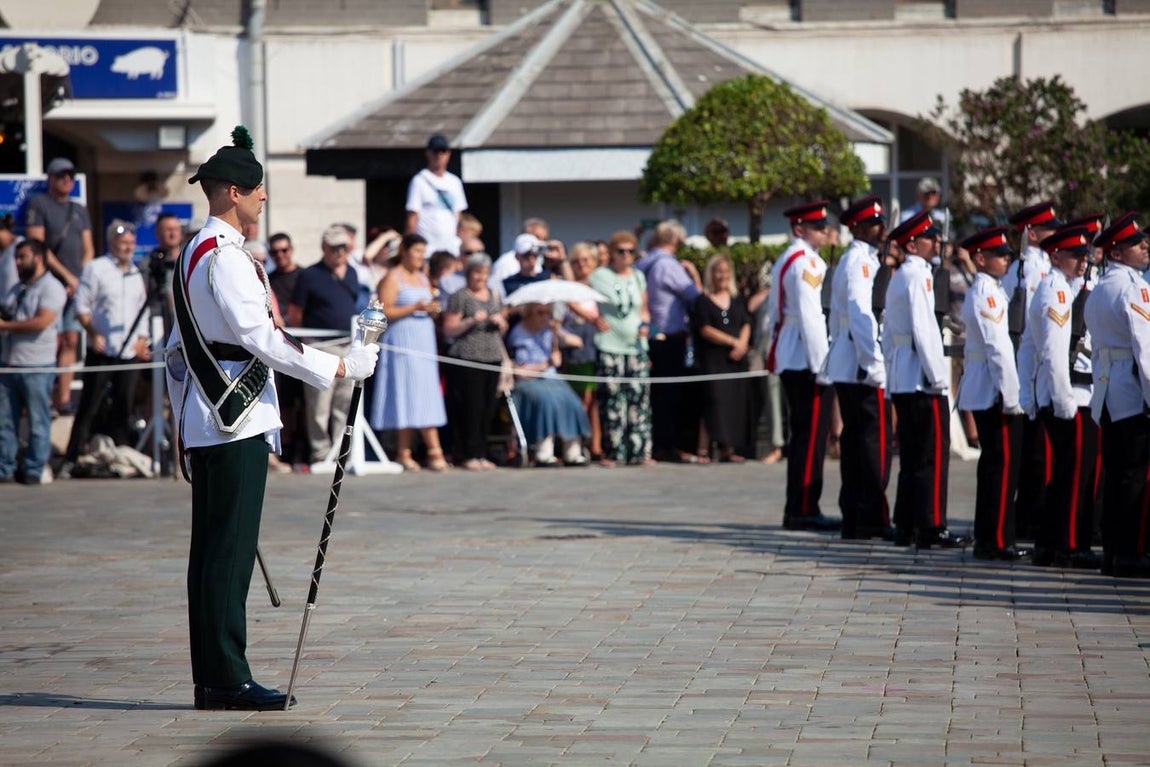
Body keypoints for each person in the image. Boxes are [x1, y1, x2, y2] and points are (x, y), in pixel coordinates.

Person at [168, 126, 378, 710]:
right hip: (232, 420)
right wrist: (338, 369)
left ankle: (216, 676)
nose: (264, 201)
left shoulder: (197, 250)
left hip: (211, 419)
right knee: (227, 555)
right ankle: (227, 678)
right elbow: (262, 338)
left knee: (216, 553)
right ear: (234, 192)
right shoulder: (224, 257)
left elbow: (176, 352)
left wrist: (183, 422)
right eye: (259, 191)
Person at [883, 211, 968, 549]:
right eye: (930, 238)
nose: (937, 242)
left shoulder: (903, 275)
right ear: (913, 244)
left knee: (913, 457)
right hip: (921, 376)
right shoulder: (918, 276)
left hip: (905, 374)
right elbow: (924, 330)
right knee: (932, 455)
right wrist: (938, 378)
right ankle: (931, 524)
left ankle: (906, 524)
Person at [1027, 223, 1101, 569]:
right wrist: (1064, 401)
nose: (1082, 262)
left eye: (1085, 255)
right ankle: (1069, 544)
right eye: (1076, 256)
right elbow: (1056, 353)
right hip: (1067, 396)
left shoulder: (1064, 287)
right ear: (1056, 255)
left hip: (1069, 393)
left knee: (1067, 474)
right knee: (1073, 475)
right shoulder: (1055, 290)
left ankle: (1050, 543)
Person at [1084, 212, 1150, 578]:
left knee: (1114, 474)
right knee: (1134, 476)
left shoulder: (1100, 288)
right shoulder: (1134, 287)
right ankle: (1131, 552)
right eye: (1135, 243)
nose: (1144, 246)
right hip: (1131, 390)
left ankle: (1112, 552)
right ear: (1117, 253)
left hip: (1107, 391)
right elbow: (1146, 348)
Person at [822, 196, 892, 540]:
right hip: (860, 366)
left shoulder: (863, 259)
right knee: (870, 444)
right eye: (874, 224)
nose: (881, 229)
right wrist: (874, 364)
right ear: (859, 228)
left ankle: (857, 516)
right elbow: (862, 317)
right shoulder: (859, 263)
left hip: (852, 363)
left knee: (858, 442)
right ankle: (870, 517)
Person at [766, 202, 837, 531]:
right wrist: (824, 366)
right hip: (806, 357)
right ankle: (804, 508)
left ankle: (799, 506)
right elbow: (810, 317)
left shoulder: (789, 257)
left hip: (792, 353)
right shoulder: (805, 262)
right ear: (800, 229)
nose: (825, 232)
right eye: (818, 227)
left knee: (804, 435)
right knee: (810, 437)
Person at [956, 227, 1025, 561]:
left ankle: (991, 536)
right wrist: (1012, 396)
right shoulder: (987, 292)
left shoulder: (989, 290)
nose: (1006, 258)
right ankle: (996, 539)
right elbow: (998, 348)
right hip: (993, 391)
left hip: (988, 387)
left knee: (995, 464)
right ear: (980, 259)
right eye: (1000, 254)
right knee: (1002, 465)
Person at [62, 220, 151, 474]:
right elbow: (81, 306)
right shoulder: (96, 269)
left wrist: (142, 339)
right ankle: (73, 456)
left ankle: (121, 455)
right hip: (102, 350)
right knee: (90, 404)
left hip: (127, 352)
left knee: (124, 404)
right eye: (123, 243)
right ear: (111, 243)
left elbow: (141, 310)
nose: (128, 247)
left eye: (131, 243)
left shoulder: (135, 274)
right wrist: (92, 332)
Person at [1006, 201, 1062, 542]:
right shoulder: (1031, 268)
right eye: (1050, 228)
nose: (1057, 233)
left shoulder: (1038, 265)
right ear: (1033, 233)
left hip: (1035, 361)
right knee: (1034, 453)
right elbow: (1029, 323)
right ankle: (1029, 518)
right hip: (1031, 362)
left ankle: (1031, 516)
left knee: (1037, 450)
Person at [371, 233, 449, 472]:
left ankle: (407, 450)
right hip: (403, 342)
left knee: (424, 392)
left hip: (423, 341)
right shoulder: (392, 278)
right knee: (407, 392)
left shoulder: (423, 277)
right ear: (404, 251)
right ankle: (428, 449)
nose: (420, 257)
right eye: (416, 251)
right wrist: (415, 307)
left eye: (423, 252)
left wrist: (431, 310)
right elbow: (384, 311)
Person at [25, 157, 95, 412]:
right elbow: (38, 247)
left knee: (71, 340)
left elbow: (88, 248)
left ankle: (62, 398)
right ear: (50, 178)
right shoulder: (39, 204)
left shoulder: (78, 209)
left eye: (70, 175)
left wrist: (81, 280)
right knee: (49, 340)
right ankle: (42, 396)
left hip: (75, 285)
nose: (67, 179)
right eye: (60, 175)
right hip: (51, 283)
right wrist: (67, 278)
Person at [288, 225, 360, 464]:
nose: (340, 252)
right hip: (321, 345)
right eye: (335, 248)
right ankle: (320, 451)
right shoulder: (310, 275)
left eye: (344, 247)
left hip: (347, 344)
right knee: (319, 402)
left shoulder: (351, 272)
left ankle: (342, 450)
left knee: (344, 401)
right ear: (324, 248)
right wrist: (308, 341)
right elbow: (296, 312)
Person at [0, 239, 66, 484]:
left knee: (39, 420)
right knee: (5, 421)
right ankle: (4, 467)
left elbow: (41, 321)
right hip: (9, 363)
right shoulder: (16, 288)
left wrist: (6, 326)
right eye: (16, 258)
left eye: (23, 257)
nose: (17, 263)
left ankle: (34, 468)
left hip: (37, 364)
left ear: (38, 258)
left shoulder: (52, 287)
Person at [639, 220, 702, 463]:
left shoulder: (644, 262)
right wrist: (694, 274)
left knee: (657, 394)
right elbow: (694, 296)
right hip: (670, 337)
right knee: (671, 396)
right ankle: (667, 445)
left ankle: (657, 443)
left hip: (652, 335)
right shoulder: (667, 264)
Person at [588, 231, 652, 467]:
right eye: (621, 251)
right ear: (611, 254)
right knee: (613, 401)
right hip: (610, 345)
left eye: (630, 251)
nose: (626, 256)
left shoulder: (638, 276)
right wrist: (592, 318)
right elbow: (577, 292)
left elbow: (644, 308)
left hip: (636, 347)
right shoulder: (600, 276)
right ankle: (613, 451)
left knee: (639, 400)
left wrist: (645, 324)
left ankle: (639, 451)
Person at [442, 253, 507, 471]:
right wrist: (471, 321)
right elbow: (449, 329)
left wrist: (500, 322)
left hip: (492, 356)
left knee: (488, 407)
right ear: (469, 274)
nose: (481, 277)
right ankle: (468, 453)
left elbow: (503, 326)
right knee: (471, 407)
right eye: (477, 272)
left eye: (484, 273)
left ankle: (482, 452)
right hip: (468, 357)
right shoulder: (459, 296)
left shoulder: (494, 295)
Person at [506, 302, 591, 466]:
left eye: (548, 313)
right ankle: (543, 452)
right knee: (546, 402)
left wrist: (558, 331)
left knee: (572, 402)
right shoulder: (518, 333)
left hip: (552, 379)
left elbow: (577, 342)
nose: (544, 317)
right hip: (529, 381)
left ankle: (572, 451)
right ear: (529, 313)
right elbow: (521, 372)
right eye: (540, 313)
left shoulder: (549, 331)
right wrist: (546, 364)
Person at [691, 253, 750, 462]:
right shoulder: (703, 301)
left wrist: (742, 344)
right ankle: (703, 449)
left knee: (733, 402)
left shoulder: (736, 299)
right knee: (712, 401)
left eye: (725, 271)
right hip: (714, 360)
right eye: (717, 271)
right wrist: (732, 342)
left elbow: (745, 323)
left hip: (735, 360)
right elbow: (705, 329)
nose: (721, 276)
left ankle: (728, 448)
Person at [564, 241, 604, 461]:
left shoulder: (599, 285)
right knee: (582, 397)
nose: (581, 265)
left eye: (586, 260)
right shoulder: (568, 289)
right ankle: (577, 441)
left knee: (593, 398)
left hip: (596, 345)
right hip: (577, 348)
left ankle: (595, 443)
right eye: (576, 261)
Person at [406, 133, 467, 256]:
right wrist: (409, 247)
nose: (439, 155)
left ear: (448, 154)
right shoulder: (419, 180)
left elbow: (459, 216)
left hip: (451, 250)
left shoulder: (455, 182)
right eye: (435, 151)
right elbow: (412, 217)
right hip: (427, 250)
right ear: (428, 153)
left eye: (443, 151)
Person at [137, 211, 183, 338]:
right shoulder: (148, 263)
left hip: (186, 323)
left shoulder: (188, 259)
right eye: (168, 230)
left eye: (176, 229)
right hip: (158, 326)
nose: (173, 234)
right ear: (157, 233)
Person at [491, 218, 548, 295]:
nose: (540, 242)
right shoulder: (505, 262)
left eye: (544, 239)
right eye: (537, 237)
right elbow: (497, 292)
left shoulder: (540, 260)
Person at [502, 234, 550, 299]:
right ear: (517, 256)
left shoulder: (547, 278)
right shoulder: (508, 283)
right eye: (526, 255)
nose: (531, 258)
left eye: (535, 254)